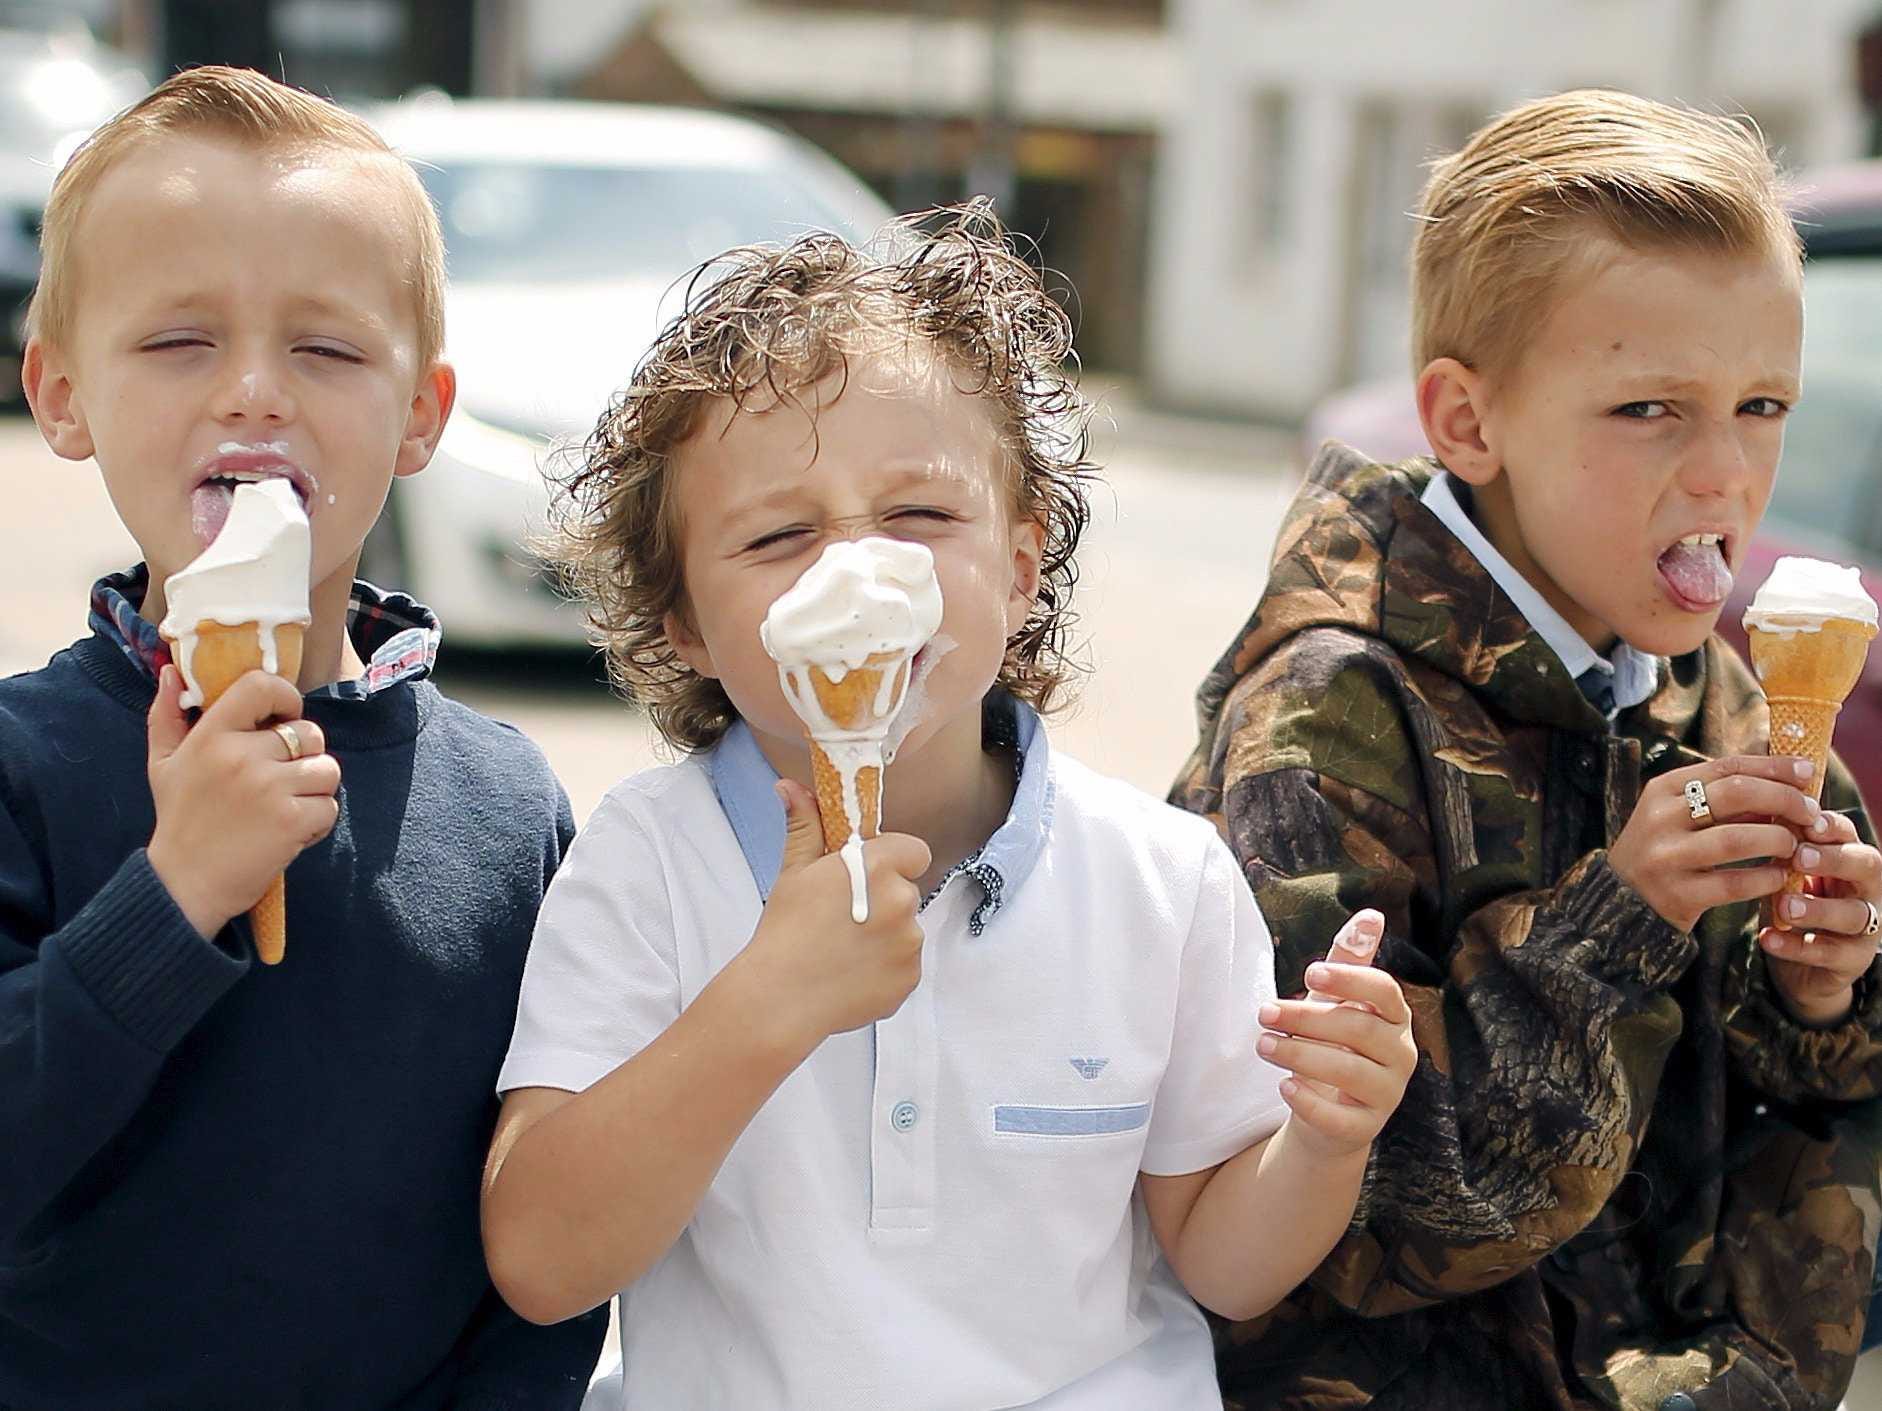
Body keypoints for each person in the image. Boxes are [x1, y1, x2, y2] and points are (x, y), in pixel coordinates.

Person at [478, 206, 1417, 1410]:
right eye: (778, 535)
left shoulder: (1160, 879)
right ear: (689, 628)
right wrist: (764, 1003)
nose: (858, 570)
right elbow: (544, 1261)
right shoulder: (651, 862)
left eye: (920, 516)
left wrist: (1326, 1140)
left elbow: (1226, 1262)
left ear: (1020, 569)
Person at [1173, 89, 1882, 1411]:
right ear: (1464, 421)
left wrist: (1821, 992)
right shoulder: (1330, 718)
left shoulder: (1718, 698)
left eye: (1763, 402)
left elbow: (1792, 1125)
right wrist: (1621, 920)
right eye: (1647, 411)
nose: (1723, 471)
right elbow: (1352, 1212)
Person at [3, 66, 605, 1408]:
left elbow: (541, 1232)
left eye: (327, 350)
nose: (255, 393)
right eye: (179, 342)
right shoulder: (19, 767)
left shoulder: (509, 810)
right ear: (61, 394)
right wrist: (172, 900)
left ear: (421, 415)